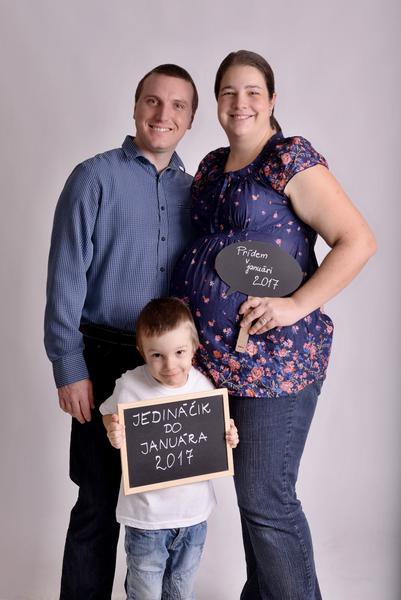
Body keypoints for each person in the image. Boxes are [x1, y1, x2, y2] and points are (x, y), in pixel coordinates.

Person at [172, 50, 377, 599]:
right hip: (218, 362)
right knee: (252, 501)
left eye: (252, 92)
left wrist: (294, 305)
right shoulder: (211, 167)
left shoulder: (289, 158)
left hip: (275, 361)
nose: (240, 103)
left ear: (271, 101)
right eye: (228, 92)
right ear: (217, 103)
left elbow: (358, 240)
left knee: (267, 499)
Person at [44, 64, 199, 600]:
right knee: (97, 503)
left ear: (191, 119)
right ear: (135, 107)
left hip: (170, 365)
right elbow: (65, 277)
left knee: (157, 512)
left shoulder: (195, 192)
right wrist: (69, 366)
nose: (163, 114)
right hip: (103, 355)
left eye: (178, 106)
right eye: (153, 101)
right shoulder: (93, 178)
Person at [100, 297, 239, 600]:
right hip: (146, 519)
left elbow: (216, 433)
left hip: (193, 517)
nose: (170, 365)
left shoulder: (203, 387)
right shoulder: (130, 385)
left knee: (181, 590)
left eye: (179, 352)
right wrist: (114, 430)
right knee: (145, 592)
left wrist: (229, 436)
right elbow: (108, 413)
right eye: (157, 355)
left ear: (194, 347)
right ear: (142, 352)